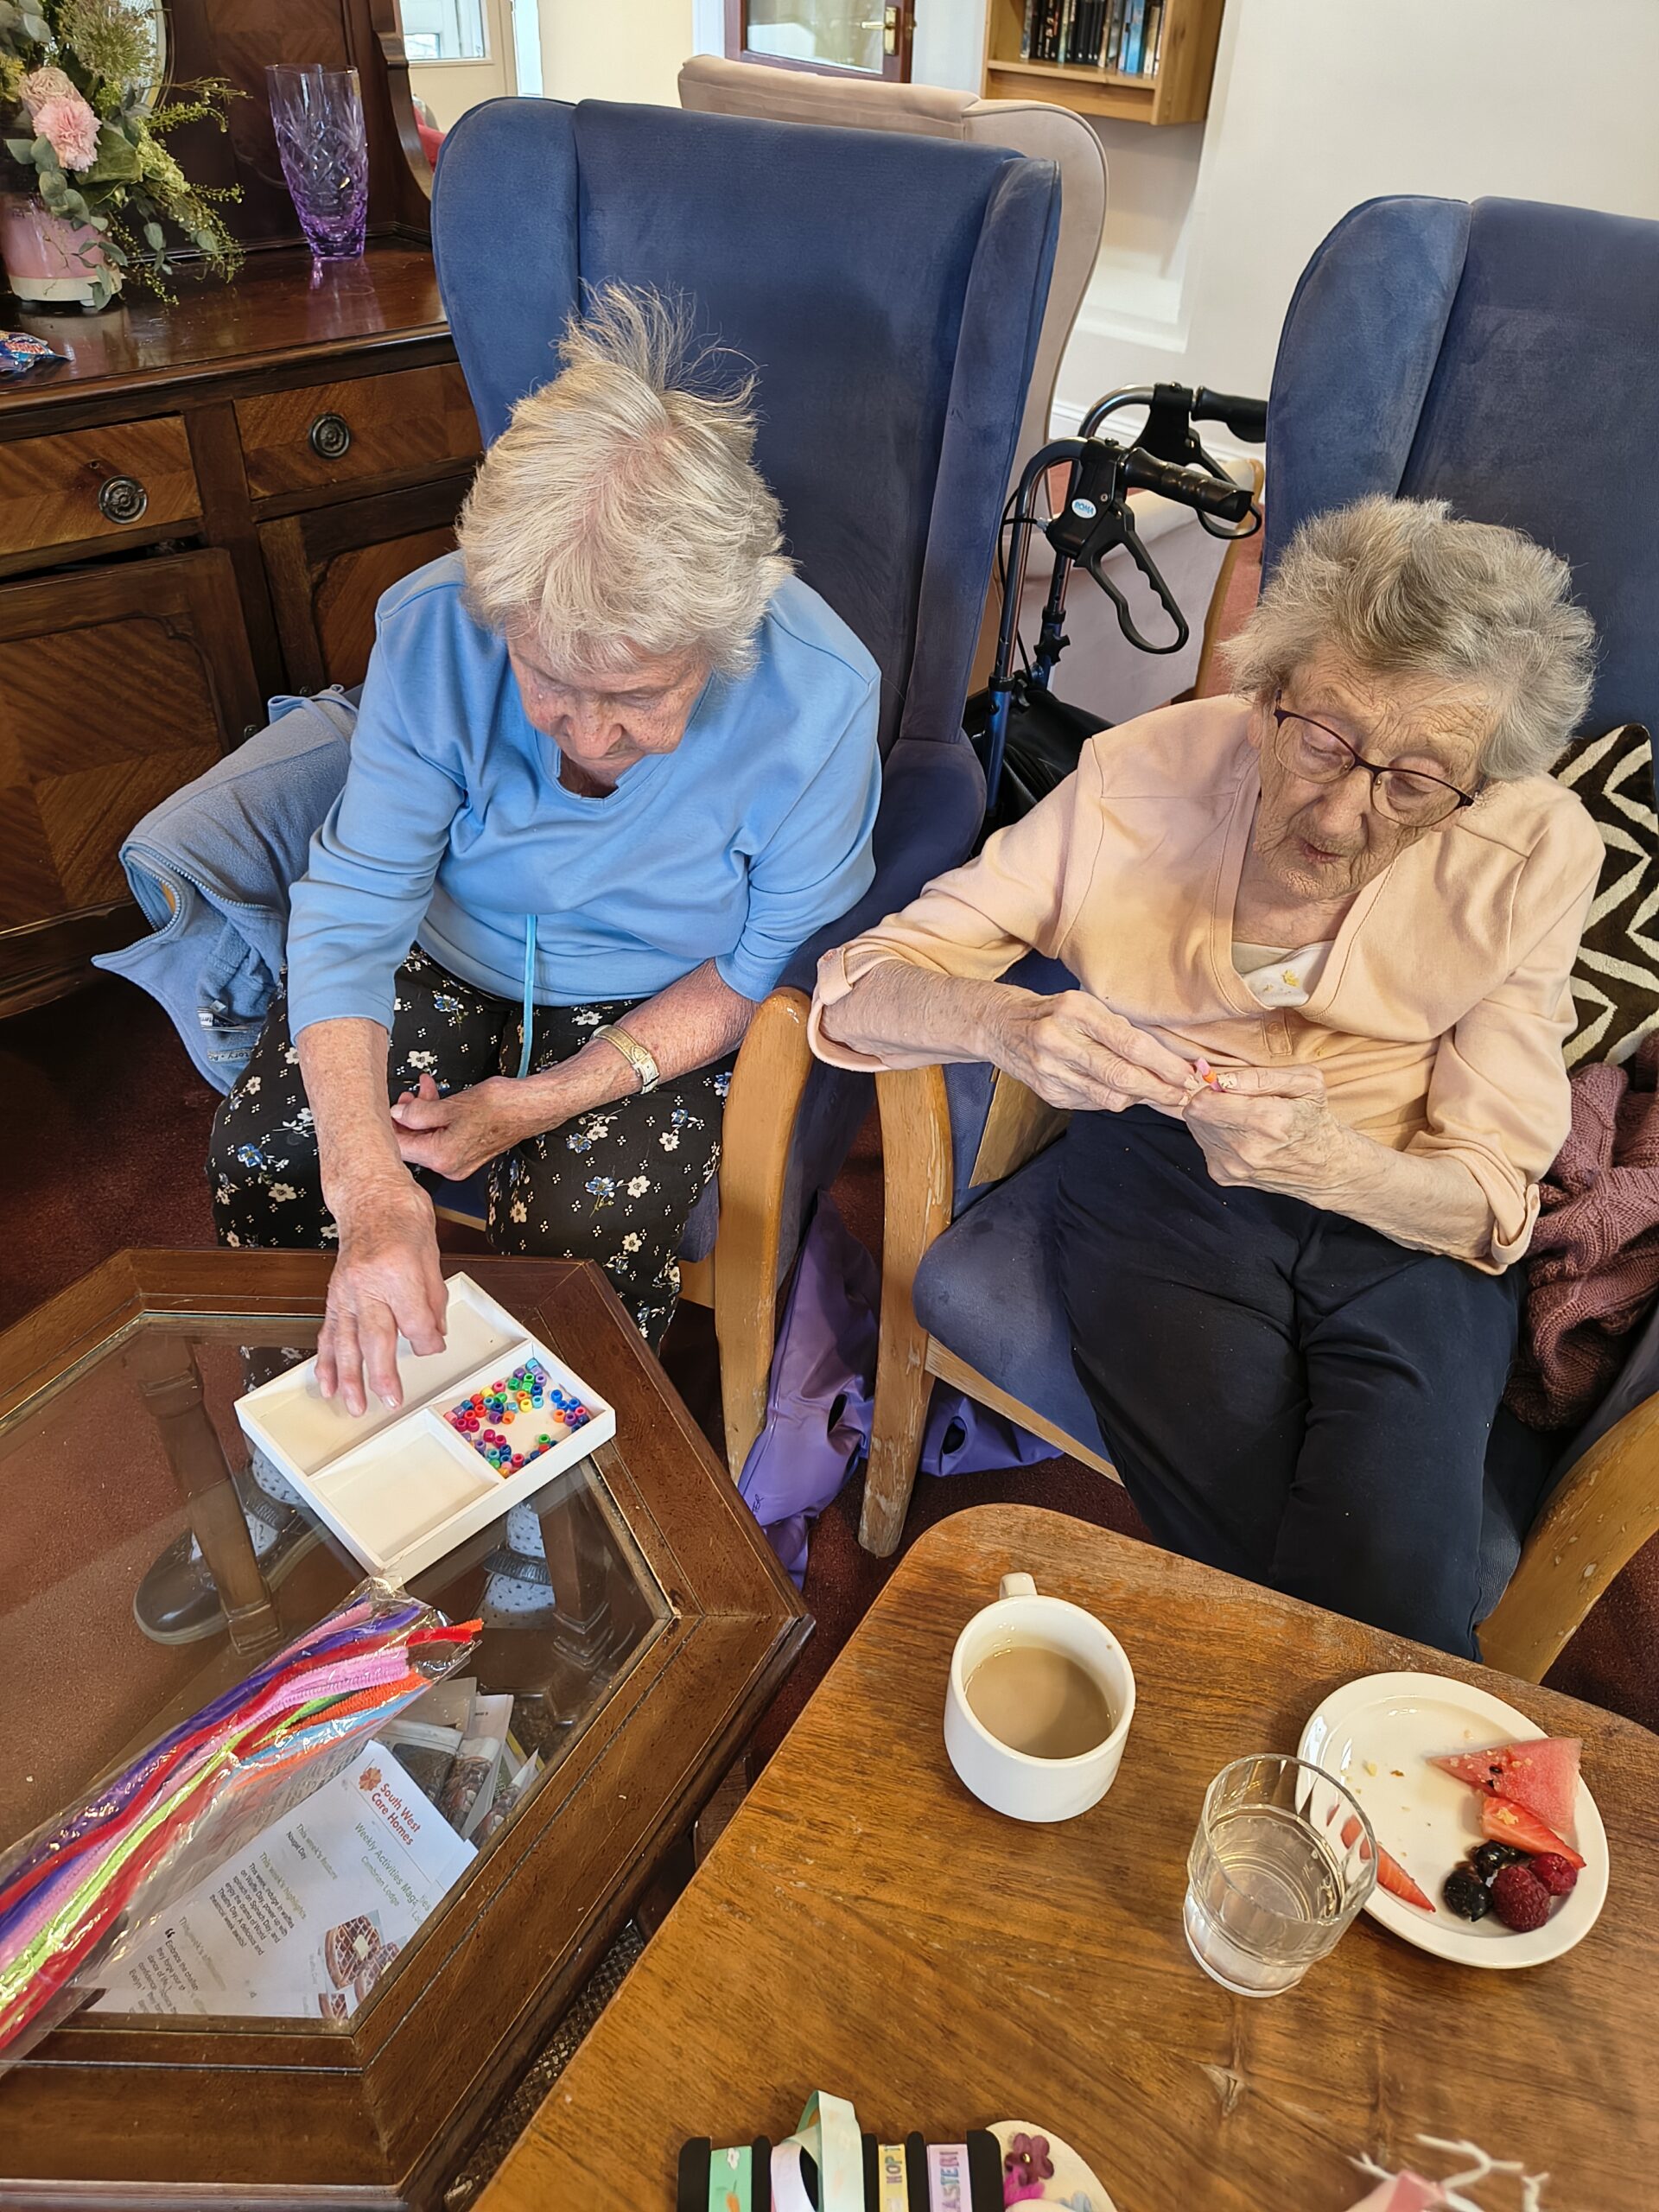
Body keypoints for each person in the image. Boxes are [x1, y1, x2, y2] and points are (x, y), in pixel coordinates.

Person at [810, 497, 1603, 1656]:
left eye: (1414, 782)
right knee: (1287, 1555)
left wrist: (1339, 1166)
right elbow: (858, 987)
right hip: (1161, 1159)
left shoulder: (1537, 848)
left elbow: (1489, 1198)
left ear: (1481, 781)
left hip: (1395, 1188)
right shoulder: (1140, 778)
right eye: (1321, 739)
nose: (1339, 814)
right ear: (1269, 692)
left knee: (1401, 1565)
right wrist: (1005, 1023)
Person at [207, 285, 880, 1402]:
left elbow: (759, 968)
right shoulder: (437, 626)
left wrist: (547, 1097)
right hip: (449, 951)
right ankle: (310, 1463)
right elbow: (354, 907)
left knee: (586, 1223)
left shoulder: (819, 697)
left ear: (724, 640)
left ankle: (549, 1536)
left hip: (660, 994)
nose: (589, 732)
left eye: (636, 694)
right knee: (272, 1153)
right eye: (546, 680)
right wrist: (370, 1188)